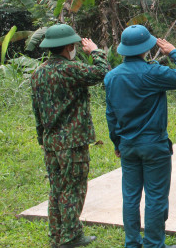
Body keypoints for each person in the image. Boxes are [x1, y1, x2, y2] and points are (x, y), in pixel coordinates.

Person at [104, 25, 176, 248]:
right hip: (154, 145)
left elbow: (111, 115)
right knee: (155, 197)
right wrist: (173, 52)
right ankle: (153, 244)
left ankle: (132, 243)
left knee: (130, 196)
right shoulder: (152, 73)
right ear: (146, 47)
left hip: (128, 145)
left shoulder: (112, 77)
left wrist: (117, 142)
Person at [31, 24, 110, 248]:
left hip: (51, 142)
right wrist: (95, 51)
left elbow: (37, 111)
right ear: (68, 46)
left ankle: (56, 235)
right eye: (74, 45)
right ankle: (71, 237)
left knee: (56, 190)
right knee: (73, 189)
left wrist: (42, 138)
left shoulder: (38, 73)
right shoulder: (71, 69)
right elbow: (103, 73)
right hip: (73, 141)